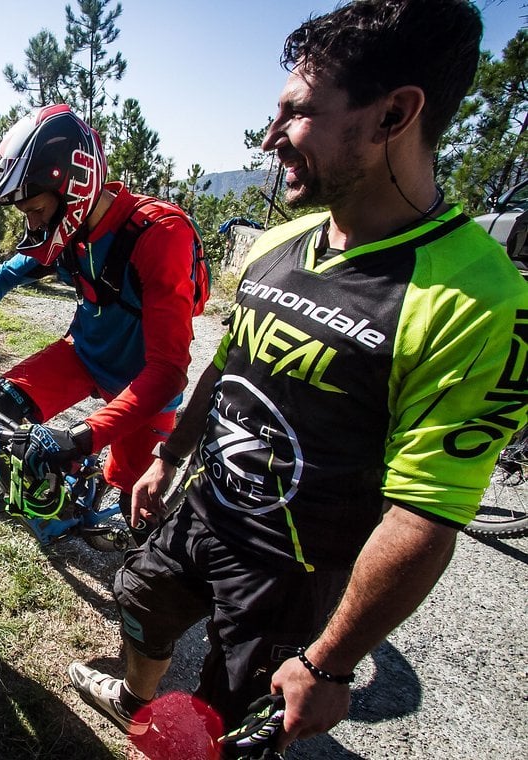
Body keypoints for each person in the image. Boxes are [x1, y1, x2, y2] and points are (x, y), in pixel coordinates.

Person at [66, 1, 528, 754]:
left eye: (297, 113)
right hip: (203, 510)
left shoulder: (479, 298)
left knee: (221, 725)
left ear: (394, 115)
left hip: (292, 572)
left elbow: (425, 519)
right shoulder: (283, 242)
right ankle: (135, 696)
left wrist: (331, 664)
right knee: (142, 600)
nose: (270, 136)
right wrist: (169, 456)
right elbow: (229, 362)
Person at [0, 104, 204, 543]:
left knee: (129, 500)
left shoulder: (160, 236)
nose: (32, 223)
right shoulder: (65, 230)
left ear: (72, 189)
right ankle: (36, 488)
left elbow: (168, 372)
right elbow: (6, 275)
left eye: (34, 209)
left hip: (142, 384)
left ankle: (96, 504)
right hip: (82, 354)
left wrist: (81, 437)